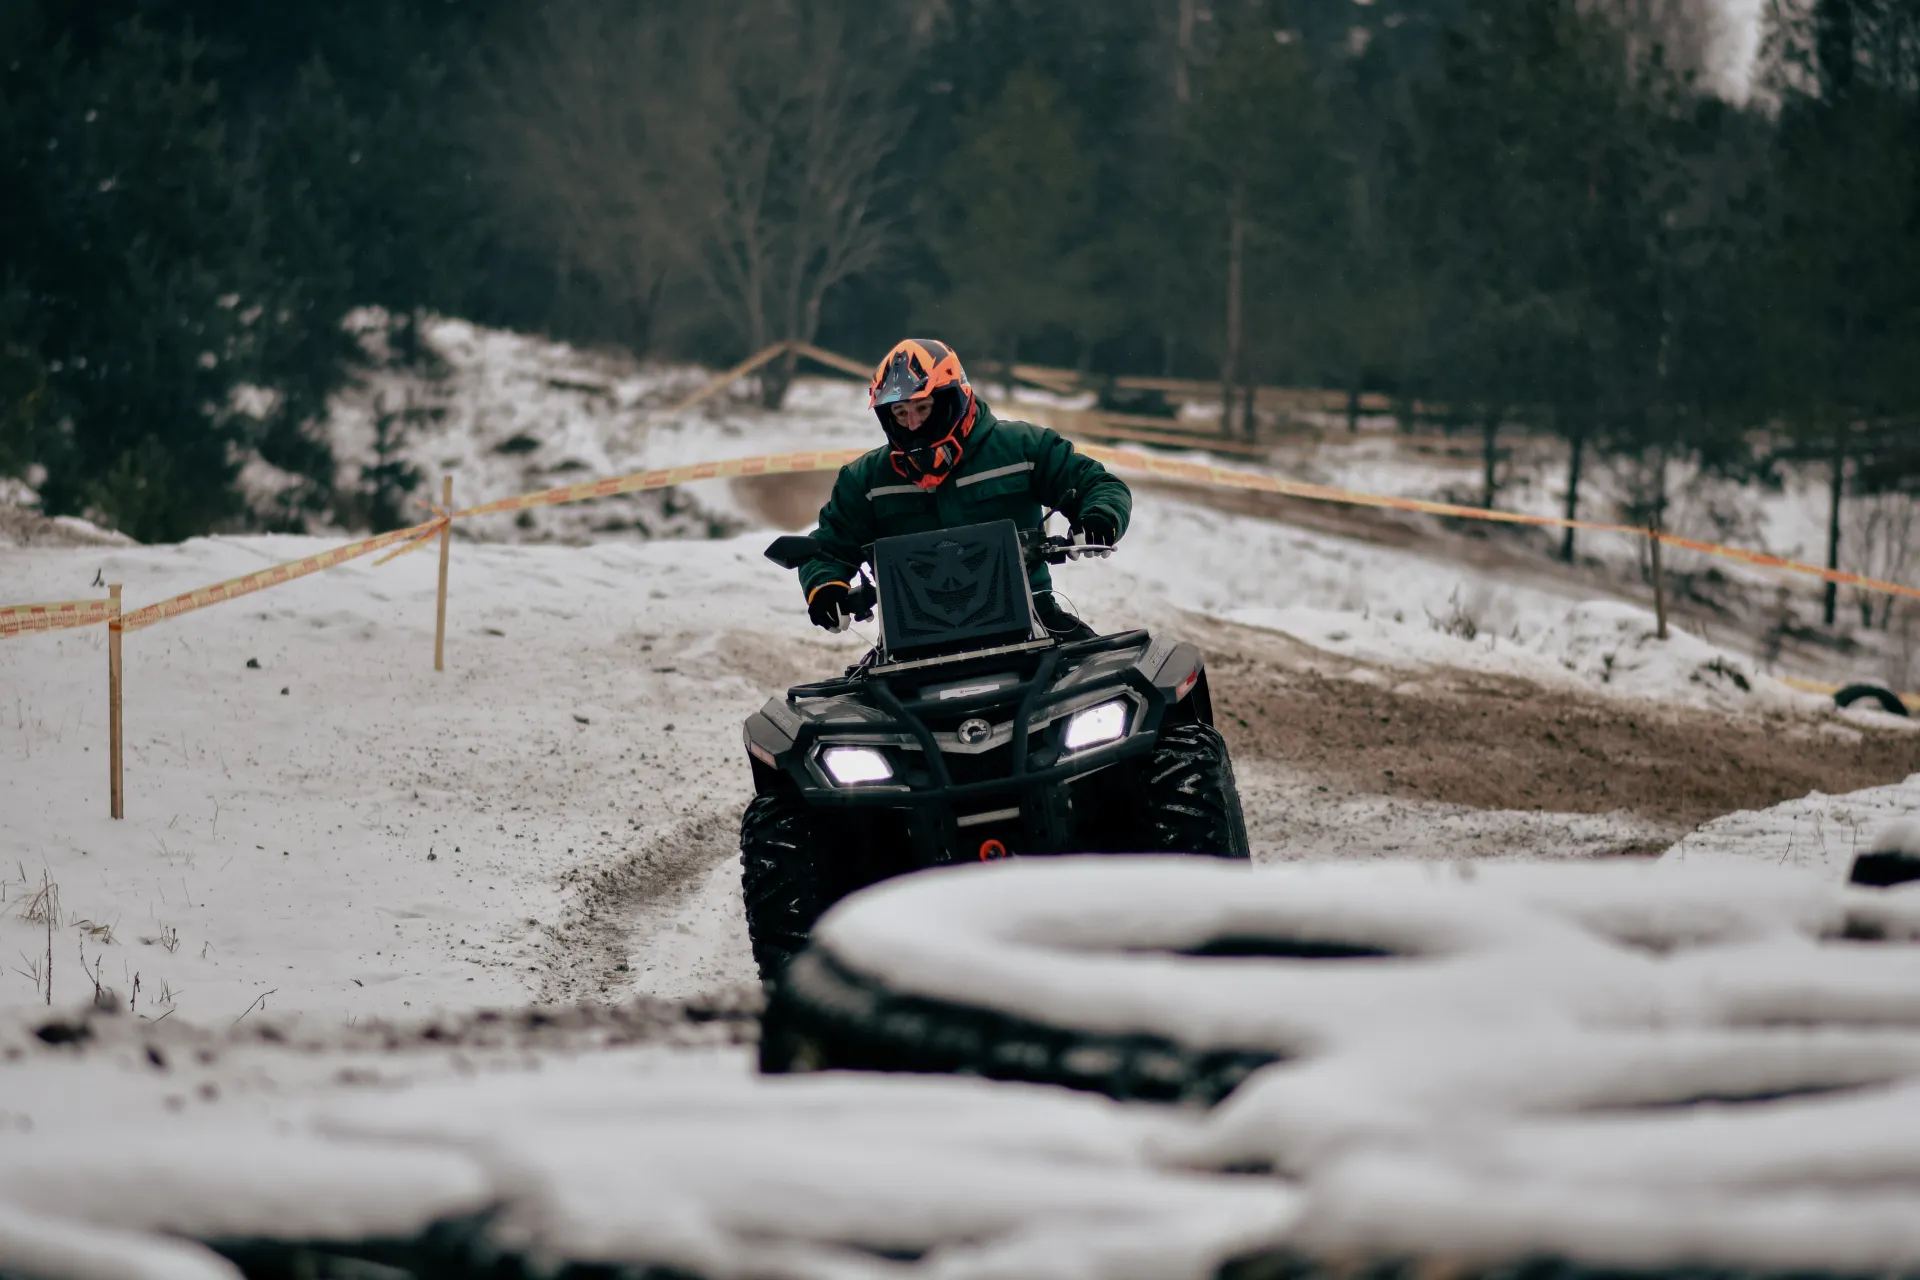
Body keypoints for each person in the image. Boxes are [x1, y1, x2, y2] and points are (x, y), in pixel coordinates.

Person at [797, 338, 1131, 640]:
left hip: (1032, 619)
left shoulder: (1023, 448)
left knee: (1114, 672)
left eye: (923, 408)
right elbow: (829, 546)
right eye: (900, 412)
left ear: (953, 400)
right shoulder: (866, 479)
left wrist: (1100, 518)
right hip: (913, 637)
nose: (912, 423)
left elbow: (1097, 484)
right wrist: (825, 586)